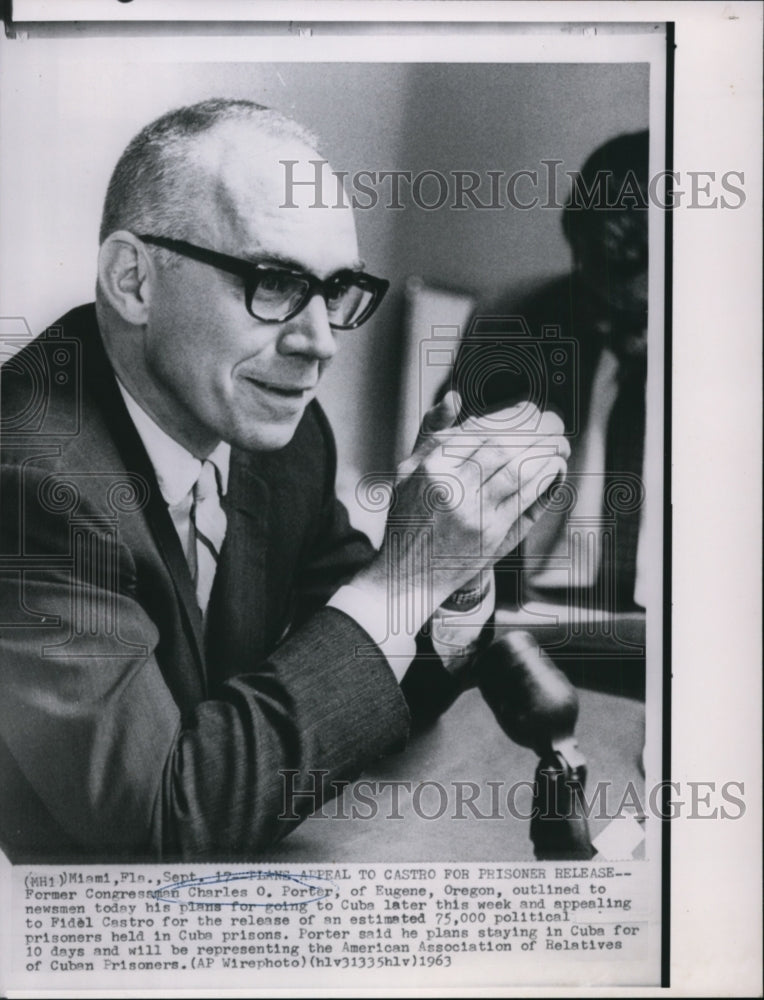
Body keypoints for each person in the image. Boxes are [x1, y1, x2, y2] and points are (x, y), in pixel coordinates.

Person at [0, 99, 568, 861]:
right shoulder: (28, 479)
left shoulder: (278, 435)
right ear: (133, 280)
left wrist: (450, 570)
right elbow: (163, 823)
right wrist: (399, 582)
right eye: (273, 283)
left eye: (336, 292)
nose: (320, 343)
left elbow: (366, 674)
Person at [452, 130, 649, 613]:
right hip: (530, 606)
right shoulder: (509, 317)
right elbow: (454, 474)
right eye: (595, 260)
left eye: (642, 262)